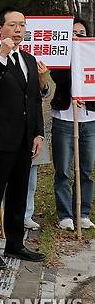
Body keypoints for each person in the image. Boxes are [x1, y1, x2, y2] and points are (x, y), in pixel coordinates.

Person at [0, 7, 46, 270]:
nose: (18, 30)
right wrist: (3, 55)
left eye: (22, 25)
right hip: (0, 138)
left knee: (18, 193)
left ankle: (15, 243)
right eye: (13, 25)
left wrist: (38, 132)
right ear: (0, 29)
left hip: (25, 139)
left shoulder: (29, 59)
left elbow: (34, 99)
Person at [50, 18, 95, 231]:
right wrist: (72, 58)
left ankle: (83, 212)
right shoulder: (61, 59)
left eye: (82, 33)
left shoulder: (92, 56)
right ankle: (65, 214)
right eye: (73, 33)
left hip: (89, 121)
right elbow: (58, 78)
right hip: (64, 120)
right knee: (63, 170)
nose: (78, 36)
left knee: (86, 169)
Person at [25, 60, 51, 231]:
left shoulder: (32, 61)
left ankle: (26, 214)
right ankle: (4, 214)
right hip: (7, 129)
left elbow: (41, 96)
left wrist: (39, 134)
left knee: (31, 177)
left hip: (32, 127)